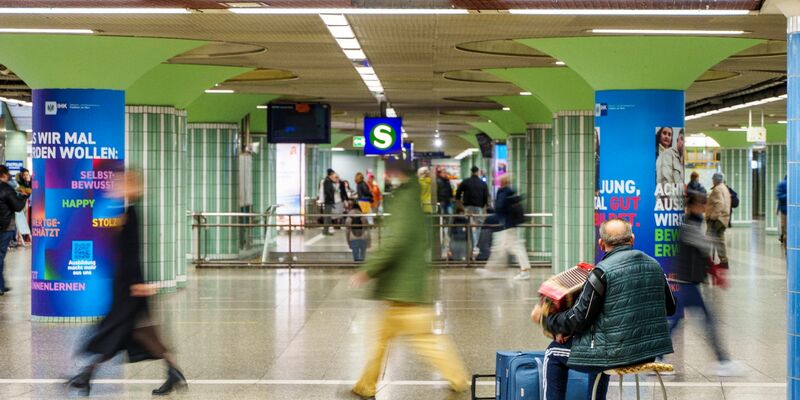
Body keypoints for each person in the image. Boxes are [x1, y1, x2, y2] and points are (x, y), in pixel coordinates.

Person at [349, 162, 469, 399]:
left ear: (395, 173)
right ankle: (365, 384)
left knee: (419, 339)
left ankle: (458, 378)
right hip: (409, 283)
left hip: (402, 288)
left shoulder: (404, 201)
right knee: (385, 337)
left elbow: (396, 241)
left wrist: (369, 270)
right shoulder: (415, 198)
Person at [66, 171, 186, 396]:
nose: (116, 186)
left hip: (129, 288)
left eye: (122, 183)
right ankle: (173, 373)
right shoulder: (127, 213)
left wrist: (137, 284)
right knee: (139, 333)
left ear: (132, 187)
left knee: (113, 331)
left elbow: (132, 254)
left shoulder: (132, 213)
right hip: (127, 286)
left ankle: (86, 375)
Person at [531, 218, 676, 400]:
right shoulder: (655, 266)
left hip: (614, 356)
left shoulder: (601, 272)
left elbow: (579, 320)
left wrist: (547, 320)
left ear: (601, 244)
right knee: (601, 346)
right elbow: (670, 308)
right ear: (632, 239)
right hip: (647, 355)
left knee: (553, 352)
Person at [670, 193, 744, 376]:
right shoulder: (689, 226)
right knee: (705, 320)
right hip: (687, 283)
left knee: (676, 321)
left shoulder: (691, 224)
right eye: (702, 205)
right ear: (693, 206)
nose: (704, 208)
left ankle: (657, 357)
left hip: (687, 281)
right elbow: (704, 248)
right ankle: (722, 360)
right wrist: (716, 272)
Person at [477, 174, 531, 280]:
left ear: (503, 182)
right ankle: (490, 270)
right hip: (506, 225)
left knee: (514, 248)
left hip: (508, 226)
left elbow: (500, 207)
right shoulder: (507, 192)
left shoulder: (505, 192)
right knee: (499, 249)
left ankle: (524, 271)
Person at [0, 165, 27, 294]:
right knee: (0, 256)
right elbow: (17, 206)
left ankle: (1, 284)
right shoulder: (6, 188)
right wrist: (23, 197)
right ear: (4, 175)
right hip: (5, 227)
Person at [456, 166, 490, 251]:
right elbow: (486, 197)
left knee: (469, 225)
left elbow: (458, 193)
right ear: (478, 172)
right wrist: (485, 208)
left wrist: (460, 204)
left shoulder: (465, 182)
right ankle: (476, 245)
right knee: (478, 226)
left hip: (467, 207)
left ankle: (470, 244)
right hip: (479, 208)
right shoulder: (482, 183)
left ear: (471, 172)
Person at [706, 172, 731, 269]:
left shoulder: (717, 189)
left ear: (716, 180)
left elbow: (720, 204)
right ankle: (724, 261)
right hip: (723, 218)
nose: (712, 181)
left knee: (708, 240)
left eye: (713, 179)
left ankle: (707, 262)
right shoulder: (724, 187)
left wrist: (712, 217)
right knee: (719, 241)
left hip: (717, 219)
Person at [14, 169, 31, 246]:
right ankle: (16, 238)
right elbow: (17, 189)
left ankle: (23, 237)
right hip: (18, 202)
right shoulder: (19, 181)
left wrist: (24, 190)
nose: (26, 176)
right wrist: (22, 190)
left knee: (23, 220)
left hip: (24, 203)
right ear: (21, 175)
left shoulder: (31, 181)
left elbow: (30, 191)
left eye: (27, 174)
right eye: (24, 175)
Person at [322, 169, 338, 235]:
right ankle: (325, 231)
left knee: (328, 217)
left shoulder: (329, 181)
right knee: (327, 217)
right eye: (334, 174)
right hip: (328, 202)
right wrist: (331, 200)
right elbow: (328, 192)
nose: (335, 175)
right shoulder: (327, 182)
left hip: (329, 201)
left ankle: (326, 230)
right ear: (331, 174)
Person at [777, 175, 787, 245]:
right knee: (784, 228)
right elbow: (779, 197)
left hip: (784, 210)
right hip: (785, 211)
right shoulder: (783, 184)